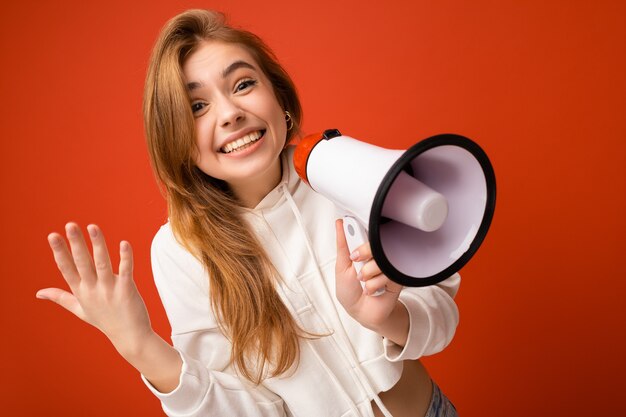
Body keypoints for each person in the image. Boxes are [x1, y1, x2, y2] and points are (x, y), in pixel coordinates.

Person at [37, 9, 460, 417]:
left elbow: (441, 316)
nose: (229, 113)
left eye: (242, 84)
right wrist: (142, 347)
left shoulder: (343, 170)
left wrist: (389, 318)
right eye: (197, 107)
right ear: (178, 140)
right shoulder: (180, 250)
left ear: (280, 98)